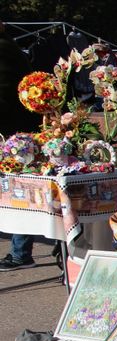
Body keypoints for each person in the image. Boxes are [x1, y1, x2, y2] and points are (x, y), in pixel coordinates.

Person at [0, 21, 42, 271]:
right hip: (17, 134)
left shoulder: (4, 51)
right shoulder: (9, 48)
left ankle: (20, 253)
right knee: (19, 193)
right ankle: (20, 252)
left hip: (13, 138)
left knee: (19, 193)